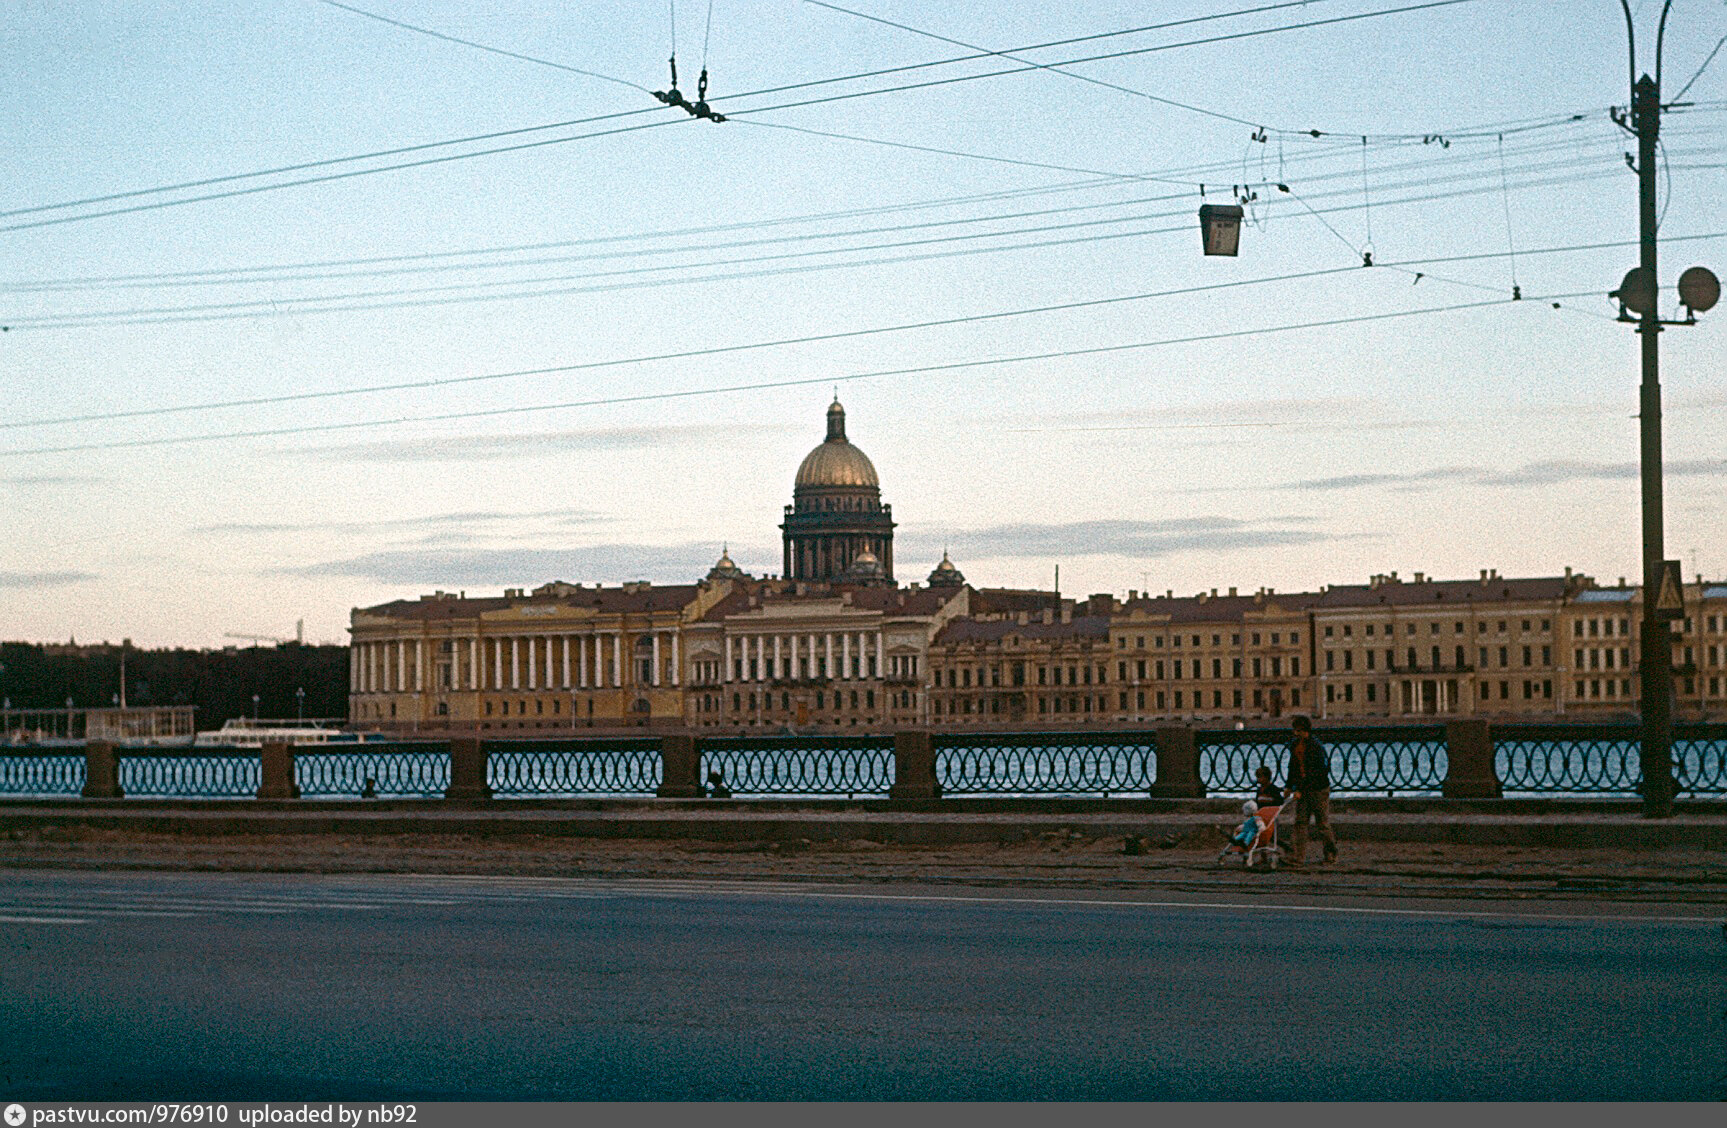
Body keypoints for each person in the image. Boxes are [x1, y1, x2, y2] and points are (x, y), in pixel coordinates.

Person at [1282, 715, 1337, 867]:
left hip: (1318, 790)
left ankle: (1330, 854)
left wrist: (1298, 788)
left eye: (1297, 730)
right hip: (1305, 790)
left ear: (1304, 730)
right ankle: (1297, 857)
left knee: (1322, 824)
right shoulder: (1296, 745)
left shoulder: (1315, 747)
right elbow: (1293, 768)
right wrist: (1289, 786)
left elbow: (1317, 772)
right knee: (1300, 823)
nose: (1295, 733)